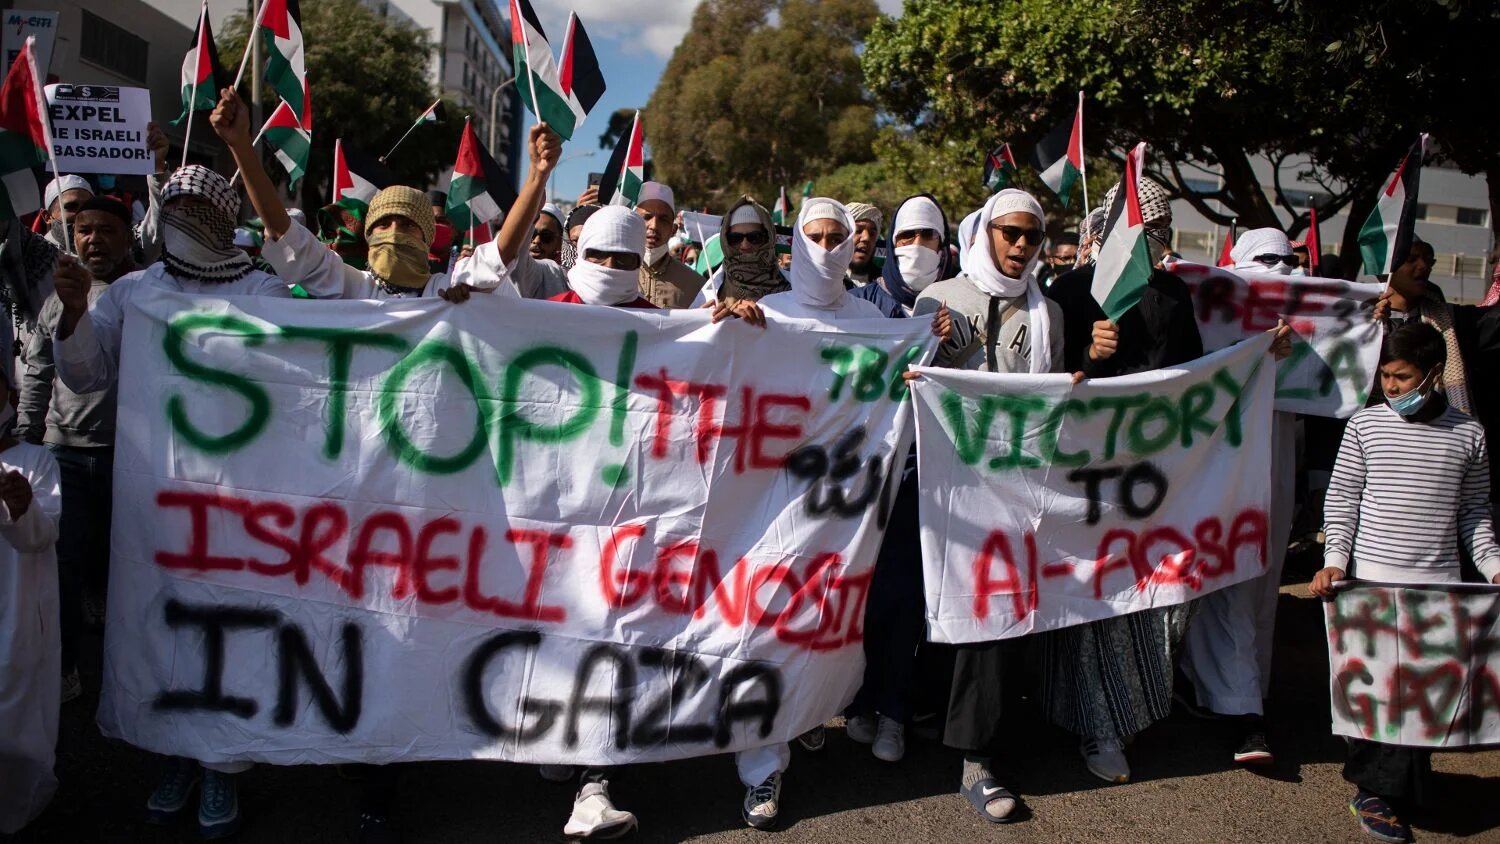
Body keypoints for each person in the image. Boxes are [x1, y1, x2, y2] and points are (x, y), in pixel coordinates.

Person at [48, 162, 283, 836]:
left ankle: (221, 766)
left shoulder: (263, 288)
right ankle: (174, 758)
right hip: (157, 495)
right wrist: (73, 317)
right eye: (170, 213)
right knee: (164, 627)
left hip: (243, 497)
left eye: (194, 215)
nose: (179, 228)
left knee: (230, 630)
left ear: (219, 221)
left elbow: (326, 344)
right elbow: (89, 374)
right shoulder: (135, 291)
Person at [1309, 321, 1500, 844]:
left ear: (1434, 372)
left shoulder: (1470, 434)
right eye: (1386, 377)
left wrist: (1494, 566)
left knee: (1417, 704)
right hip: (1368, 585)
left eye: (1403, 376)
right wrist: (1335, 561)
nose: (1392, 388)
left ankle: (1395, 791)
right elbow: (1343, 498)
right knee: (1373, 697)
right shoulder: (1364, 427)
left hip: (1436, 589)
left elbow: (1475, 515)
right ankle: (1374, 795)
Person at [1041, 176, 1203, 785]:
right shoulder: (1070, 291)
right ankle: (1095, 723)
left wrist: (1262, 357)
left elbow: (1195, 375)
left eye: (1158, 229)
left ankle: (1134, 708)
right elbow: (1047, 381)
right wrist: (1089, 356)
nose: (1150, 241)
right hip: (1087, 478)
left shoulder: (1175, 294)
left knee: (1160, 596)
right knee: (1097, 599)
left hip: (1157, 476)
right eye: (1139, 229)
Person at [908, 188, 1062, 825]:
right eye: (1009, 233)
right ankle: (935, 723)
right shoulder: (938, 300)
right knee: (954, 609)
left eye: (1031, 235)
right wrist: (935, 347)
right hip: (948, 484)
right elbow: (907, 380)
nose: (1021, 245)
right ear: (985, 233)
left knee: (995, 611)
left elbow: (1052, 391)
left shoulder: (1047, 311)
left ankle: (977, 757)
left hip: (1014, 485)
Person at [1180, 227, 1298, 765]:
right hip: (1222, 456)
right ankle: (1240, 710)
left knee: (1261, 578)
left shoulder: (1306, 319)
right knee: (1229, 571)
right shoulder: (1215, 307)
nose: (1278, 268)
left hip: (1278, 458)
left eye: (1287, 260)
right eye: (1265, 260)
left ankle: (1241, 694)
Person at [842, 193, 954, 765]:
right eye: (906, 237)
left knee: (909, 600)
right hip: (862, 482)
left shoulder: (952, 309)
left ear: (944, 246)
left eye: (928, 238)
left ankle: (894, 713)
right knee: (863, 597)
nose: (915, 249)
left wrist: (946, 341)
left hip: (923, 482)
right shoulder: (861, 303)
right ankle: (857, 703)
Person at [17, 198, 137, 704]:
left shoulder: (142, 297)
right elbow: (39, 376)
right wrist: (26, 444)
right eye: (84, 230)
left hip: (130, 459)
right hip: (63, 454)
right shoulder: (55, 299)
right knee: (60, 567)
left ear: (127, 237)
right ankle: (66, 667)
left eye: (107, 230)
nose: (94, 240)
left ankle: (129, 673)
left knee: (126, 571)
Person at [0, 358, 63, 836]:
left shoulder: (35, 462)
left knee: (15, 718)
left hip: (17, 616)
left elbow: (41, 536)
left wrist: (22, 511)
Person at [755, 198, 884, 322]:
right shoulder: (767, 312)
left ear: (847, 247)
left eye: (835, 240)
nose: (823, 249)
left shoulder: (870, 316)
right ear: (800, 245)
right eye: (814, 239)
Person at [705, 197, 790, 308]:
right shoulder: (710, 290)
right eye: (735, 238)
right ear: (726, 241)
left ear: (768, 238)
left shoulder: (794, 289)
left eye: (754, 237)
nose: (745, 245)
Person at [634, 182, 703, 308]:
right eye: (647, 217)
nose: (654, 226)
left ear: (673, 229)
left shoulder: (696, 285)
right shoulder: (616, 275)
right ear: (632, 221)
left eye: (663, 219)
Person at [845, 201, 882, 286]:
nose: (866, 238)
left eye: (872, 234)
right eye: (858, 231)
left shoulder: (885, 283)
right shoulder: (828, 279)